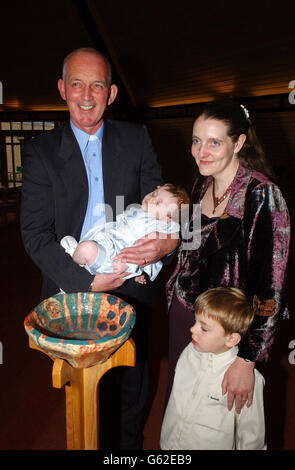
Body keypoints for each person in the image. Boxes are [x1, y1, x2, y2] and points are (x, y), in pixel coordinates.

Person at [20, 47, 178, 449]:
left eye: (97, 85)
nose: (86, 95)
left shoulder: (136, 138)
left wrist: (165, 244)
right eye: (76, 83)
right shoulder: (40, 151)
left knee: (131, 383)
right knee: (84, 390)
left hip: (130, 277)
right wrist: (86, 283)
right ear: (61, 89)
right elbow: (35, 233)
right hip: (73, 285)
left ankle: (126, 451)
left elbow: (166, 211)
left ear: (111, 94)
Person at [164, 99, 290, 414]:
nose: (200, 151)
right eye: (196, 140)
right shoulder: (199, 186)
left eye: (214, 142)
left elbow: (270, 286)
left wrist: (248, 359)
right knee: (181, 408)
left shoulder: (262, 196)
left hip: (227, 333)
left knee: (214, 422)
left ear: (238, 143)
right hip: (185, 317)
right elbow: (188, 252)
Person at [160, 287, 266, 450]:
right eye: (195, 321)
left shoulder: (246, 380)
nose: (192, 329)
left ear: (231, 339)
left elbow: (252, 435)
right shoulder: (189, 352)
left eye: (204, 328)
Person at [60, 184, 189, 284]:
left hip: (116, 258)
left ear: (167, 219)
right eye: (154, 194)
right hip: (109, 241)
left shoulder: (156, 228)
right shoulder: (140, 211)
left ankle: (75, 256)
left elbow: (141, 251)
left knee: (86, 248)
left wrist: (129, 267)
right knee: (89, 244)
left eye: (158, 203)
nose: (151, 199)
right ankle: (79, 258)